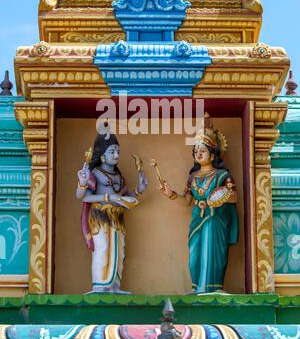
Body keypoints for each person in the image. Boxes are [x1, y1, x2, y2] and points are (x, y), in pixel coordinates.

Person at [159, 114, 239, 294]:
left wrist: (218, 198)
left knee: (213, 251)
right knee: (195, 255)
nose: (198, 154)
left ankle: (212, 288)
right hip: (197, 220)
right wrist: (171, 194)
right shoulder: (192, 178)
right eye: (196, 151)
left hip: (215, 219)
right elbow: (187, 201)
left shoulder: (222, 175)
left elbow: (233, 197)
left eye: (202, 150)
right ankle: (197, 288)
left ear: (212, 153)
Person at [76, 122, 148, 294]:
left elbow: (124, 196)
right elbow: (82, 196)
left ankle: (114, 286)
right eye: (112, 152)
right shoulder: (95, 174)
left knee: (118, 251)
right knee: (102, 248)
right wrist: (83, 183)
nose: (116, 155)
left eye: (118, 151)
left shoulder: (118, 176)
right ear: (101, 155)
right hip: (100, 217)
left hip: (117, 218)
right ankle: (99, 286)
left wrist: (138, 189)